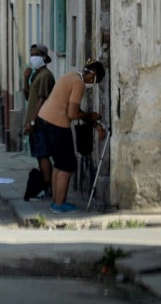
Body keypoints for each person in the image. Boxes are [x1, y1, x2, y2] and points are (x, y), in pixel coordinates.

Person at [37, 59, 107, 214]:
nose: (93, 84)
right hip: (57, 123)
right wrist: (92, 115)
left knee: (60, 164)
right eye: (96, 81)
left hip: (45, 119)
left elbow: (74, 107)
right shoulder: (79, 84)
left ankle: (56, 201)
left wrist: (94, 125)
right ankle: (59, 204)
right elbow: (73, 113)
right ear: (93, 75)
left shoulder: (71, 76)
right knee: (68, 165)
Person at [22, 44, 55, 199]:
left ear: (44, 57)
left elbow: (42, 100)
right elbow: (30, 98)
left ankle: (48, 186)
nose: (33, 57)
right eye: (31, 54)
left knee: (43, 155)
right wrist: (25, 79)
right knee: (39, 155)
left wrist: (33, 122)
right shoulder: (36, 75)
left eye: (36, 54)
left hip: (41, 122)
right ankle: (45, 185)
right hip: (35, 122)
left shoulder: (46, 76)